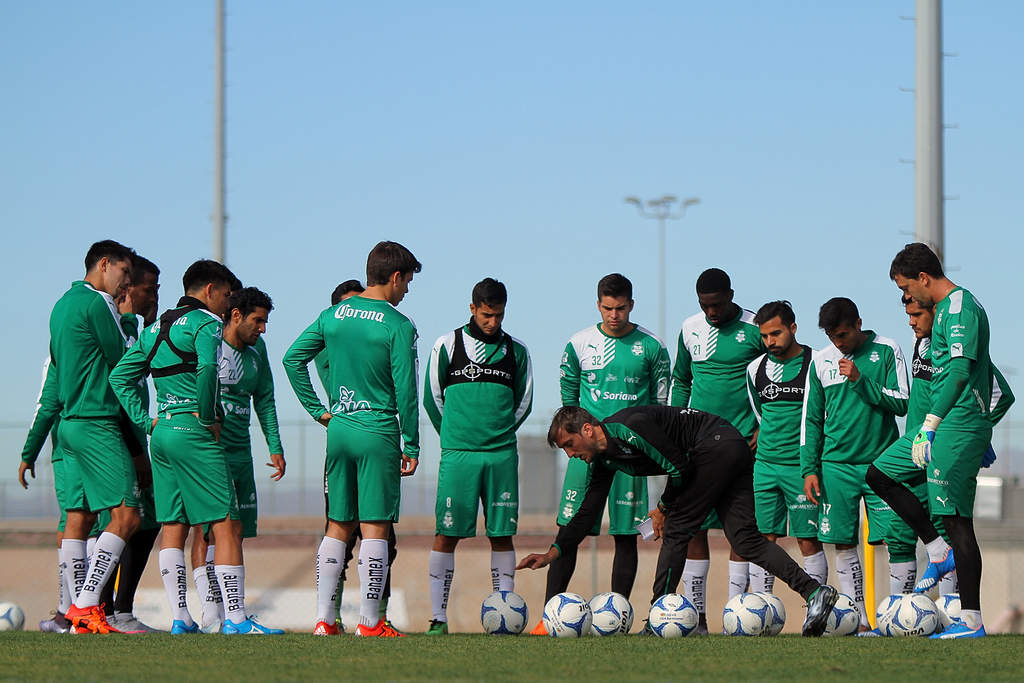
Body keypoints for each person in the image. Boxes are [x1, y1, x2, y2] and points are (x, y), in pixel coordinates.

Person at [517, 405, 839, 637]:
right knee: (746, 540)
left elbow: (680, 467)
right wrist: (553, 553)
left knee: (676, 531)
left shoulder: (630, 426)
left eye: (569, 445)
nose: (570, 454)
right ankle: (814, 593)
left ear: (587, 429)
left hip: (715, 447)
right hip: (729, 449)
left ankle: (658, 620)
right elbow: (587, 511)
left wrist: (662, 508)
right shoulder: (604, 460)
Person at [110, 259, 283, 635]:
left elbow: (120, 376)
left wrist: (144, 420)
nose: (226, 305)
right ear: (209, 291)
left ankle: (180, 617)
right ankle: (236, 619)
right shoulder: (206, 324)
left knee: (173, 524)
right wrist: (208, 416)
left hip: (163, 432)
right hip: (194, 431)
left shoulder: (156, 327)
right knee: (225, 523)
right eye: (225, 295)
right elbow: (208, 370)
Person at [282, 241, 421, 637]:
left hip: (340, 428)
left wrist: (317, 411)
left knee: (338, 525)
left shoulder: (333, 315)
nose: (407, 290)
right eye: (407, 282)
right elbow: (406, 389)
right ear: (394, 277)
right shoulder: (398, 324)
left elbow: (292, 358)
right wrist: (411, 443)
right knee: (375, 527)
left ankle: (325, 620)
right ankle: (371, 622)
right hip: (377, 429)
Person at [873, 243, 1011, 638]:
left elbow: (962, 370)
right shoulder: (944, 314)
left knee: (958, 522)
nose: (906, 298)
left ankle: (971, 620)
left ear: (923, 278)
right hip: (941, 427)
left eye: (906, 288)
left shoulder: (959, 307)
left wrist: (934, 422)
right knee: (879, 474)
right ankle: (937, 550)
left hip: (956, 425)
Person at [531, 274, 669, 635]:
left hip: (630, 456)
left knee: (625, 535)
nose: (614, 315)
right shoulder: (579, 344)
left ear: (631, 305)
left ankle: (617, 619)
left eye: (621, 308)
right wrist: (583, 442)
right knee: (569, 529)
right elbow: (569, 406)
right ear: (598, 305)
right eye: (608, 308)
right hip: (588, 454)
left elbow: (660, 406)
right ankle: (549, 618)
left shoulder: (652, 346)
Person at [423, 277, 533, 634]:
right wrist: (455, 437)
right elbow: (432, 398)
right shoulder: (446, 345)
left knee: (502, 534)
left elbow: (524, 403)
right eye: (487, 315)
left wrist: (497, 434)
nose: (493, 322)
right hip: (459, 456)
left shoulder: (517, 350)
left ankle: (505, 613)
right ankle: (438, 618)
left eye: (499, 315)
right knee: (447, 533)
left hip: (501, 455)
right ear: (472, 309)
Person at [800, 296, 916, 633]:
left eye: (844, 336)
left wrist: (861, 380)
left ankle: (900, 616)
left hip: (881, 465)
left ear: (859, 325)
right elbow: (811, 420)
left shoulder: (887, 349)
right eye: (832, 337)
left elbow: (903, 402)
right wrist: (809, 468)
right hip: (835, 466)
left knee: (899, 537)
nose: (838, 344)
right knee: (843, 541)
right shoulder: (820, 362)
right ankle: (859, 620)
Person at [49, 240, 142, 634]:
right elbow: (123, 357)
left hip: (68, 424)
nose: (126, 287)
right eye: (124, 275)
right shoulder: (97, 302)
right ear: (104, 265)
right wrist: (130, 321)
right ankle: (87, 606)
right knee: (126, 515)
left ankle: (73, 610)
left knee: (79, 517)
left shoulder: (60, 305)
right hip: (96, 420)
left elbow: (56, 365)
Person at [669, 268, 763, 633]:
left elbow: (778, 374)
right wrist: (676, 428)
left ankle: (735, 616)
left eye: (717, 304)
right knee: (694, 528)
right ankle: (696, 618)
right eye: (704, 305)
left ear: (731, 295)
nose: (711, 312)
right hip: (699, 446)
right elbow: (682, 379)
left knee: (741, 531)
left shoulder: (756, 327)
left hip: (743, 446)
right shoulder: (689, 328)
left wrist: (764, 425)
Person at [189, 286, 287, 633]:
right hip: (209, 452)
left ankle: (226, 614)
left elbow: (266, 400)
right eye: (258, 321)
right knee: (208, 532)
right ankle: (214, 614)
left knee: (235, 532)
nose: (263, 329)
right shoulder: (210, 343)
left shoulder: (258, 350)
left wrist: (275, 446)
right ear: (235, 316)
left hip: (241, 452)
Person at [744, 301, 826, 593]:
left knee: (807, 540)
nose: (770, 342)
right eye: (765, 336)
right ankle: (761, 607)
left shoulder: (817, 363)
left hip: (800, 468)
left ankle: (816, 606)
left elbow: (822, 416)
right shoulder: (755, 369)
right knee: (762, 538)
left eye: (776, 334)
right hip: (764, 467)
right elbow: (761, 415)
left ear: (793, 328)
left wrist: (811, 464)